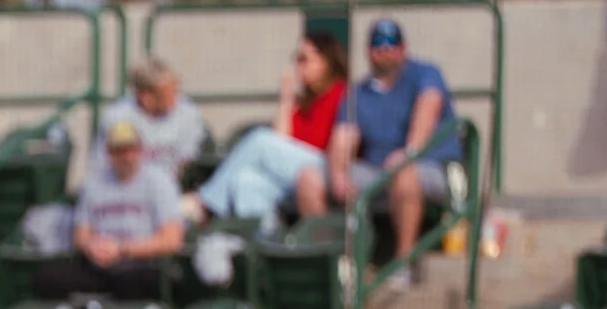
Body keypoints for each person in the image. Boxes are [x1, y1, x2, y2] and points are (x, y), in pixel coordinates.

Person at [310, 19, 461, 288]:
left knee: (403, 172)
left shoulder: (425, 73)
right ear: (368, 50)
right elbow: (343, 138)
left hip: (430, 168)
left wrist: (409, 153)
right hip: (378, 171)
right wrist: (337, 174)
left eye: (392, 43)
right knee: (313, 178)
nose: (385, 49)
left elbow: (428, 109)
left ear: (403, 48)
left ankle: (402, 263)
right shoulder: (358, 93)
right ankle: (332, 263)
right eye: (378, 43)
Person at [187, 31, 350, 227]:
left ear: (326, 62)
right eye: (296, 59)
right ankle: (264, 240)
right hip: (294, 172)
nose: (298, 66)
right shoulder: (303, 102)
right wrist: (286, 99)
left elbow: (276, 144)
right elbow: (280, 139)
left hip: (325, 169)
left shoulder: (342, 93)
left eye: (304, 59)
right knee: (244, 181)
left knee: (259, 140)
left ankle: (206, 203)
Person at [34, 121, 185, 301]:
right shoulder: (94, 184)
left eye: (132, 149)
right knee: (47, 278)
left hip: (142, 264)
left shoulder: (159, 182)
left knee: (133, 282)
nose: (127, 157)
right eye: (120, 151)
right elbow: (80, 234)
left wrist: (122, 249)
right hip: (101, 265)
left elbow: (171, 239)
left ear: (140, 150)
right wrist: (92, 246)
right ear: (110, 153)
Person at [100, 57, 207, 187]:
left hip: (174, 189)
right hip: (127, 190)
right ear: (145, 97)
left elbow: (187, 162)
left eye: (175, 89)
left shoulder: (188, 113)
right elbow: (105, 167)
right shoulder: (117, 117)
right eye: (169, 93)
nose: (176, 97)